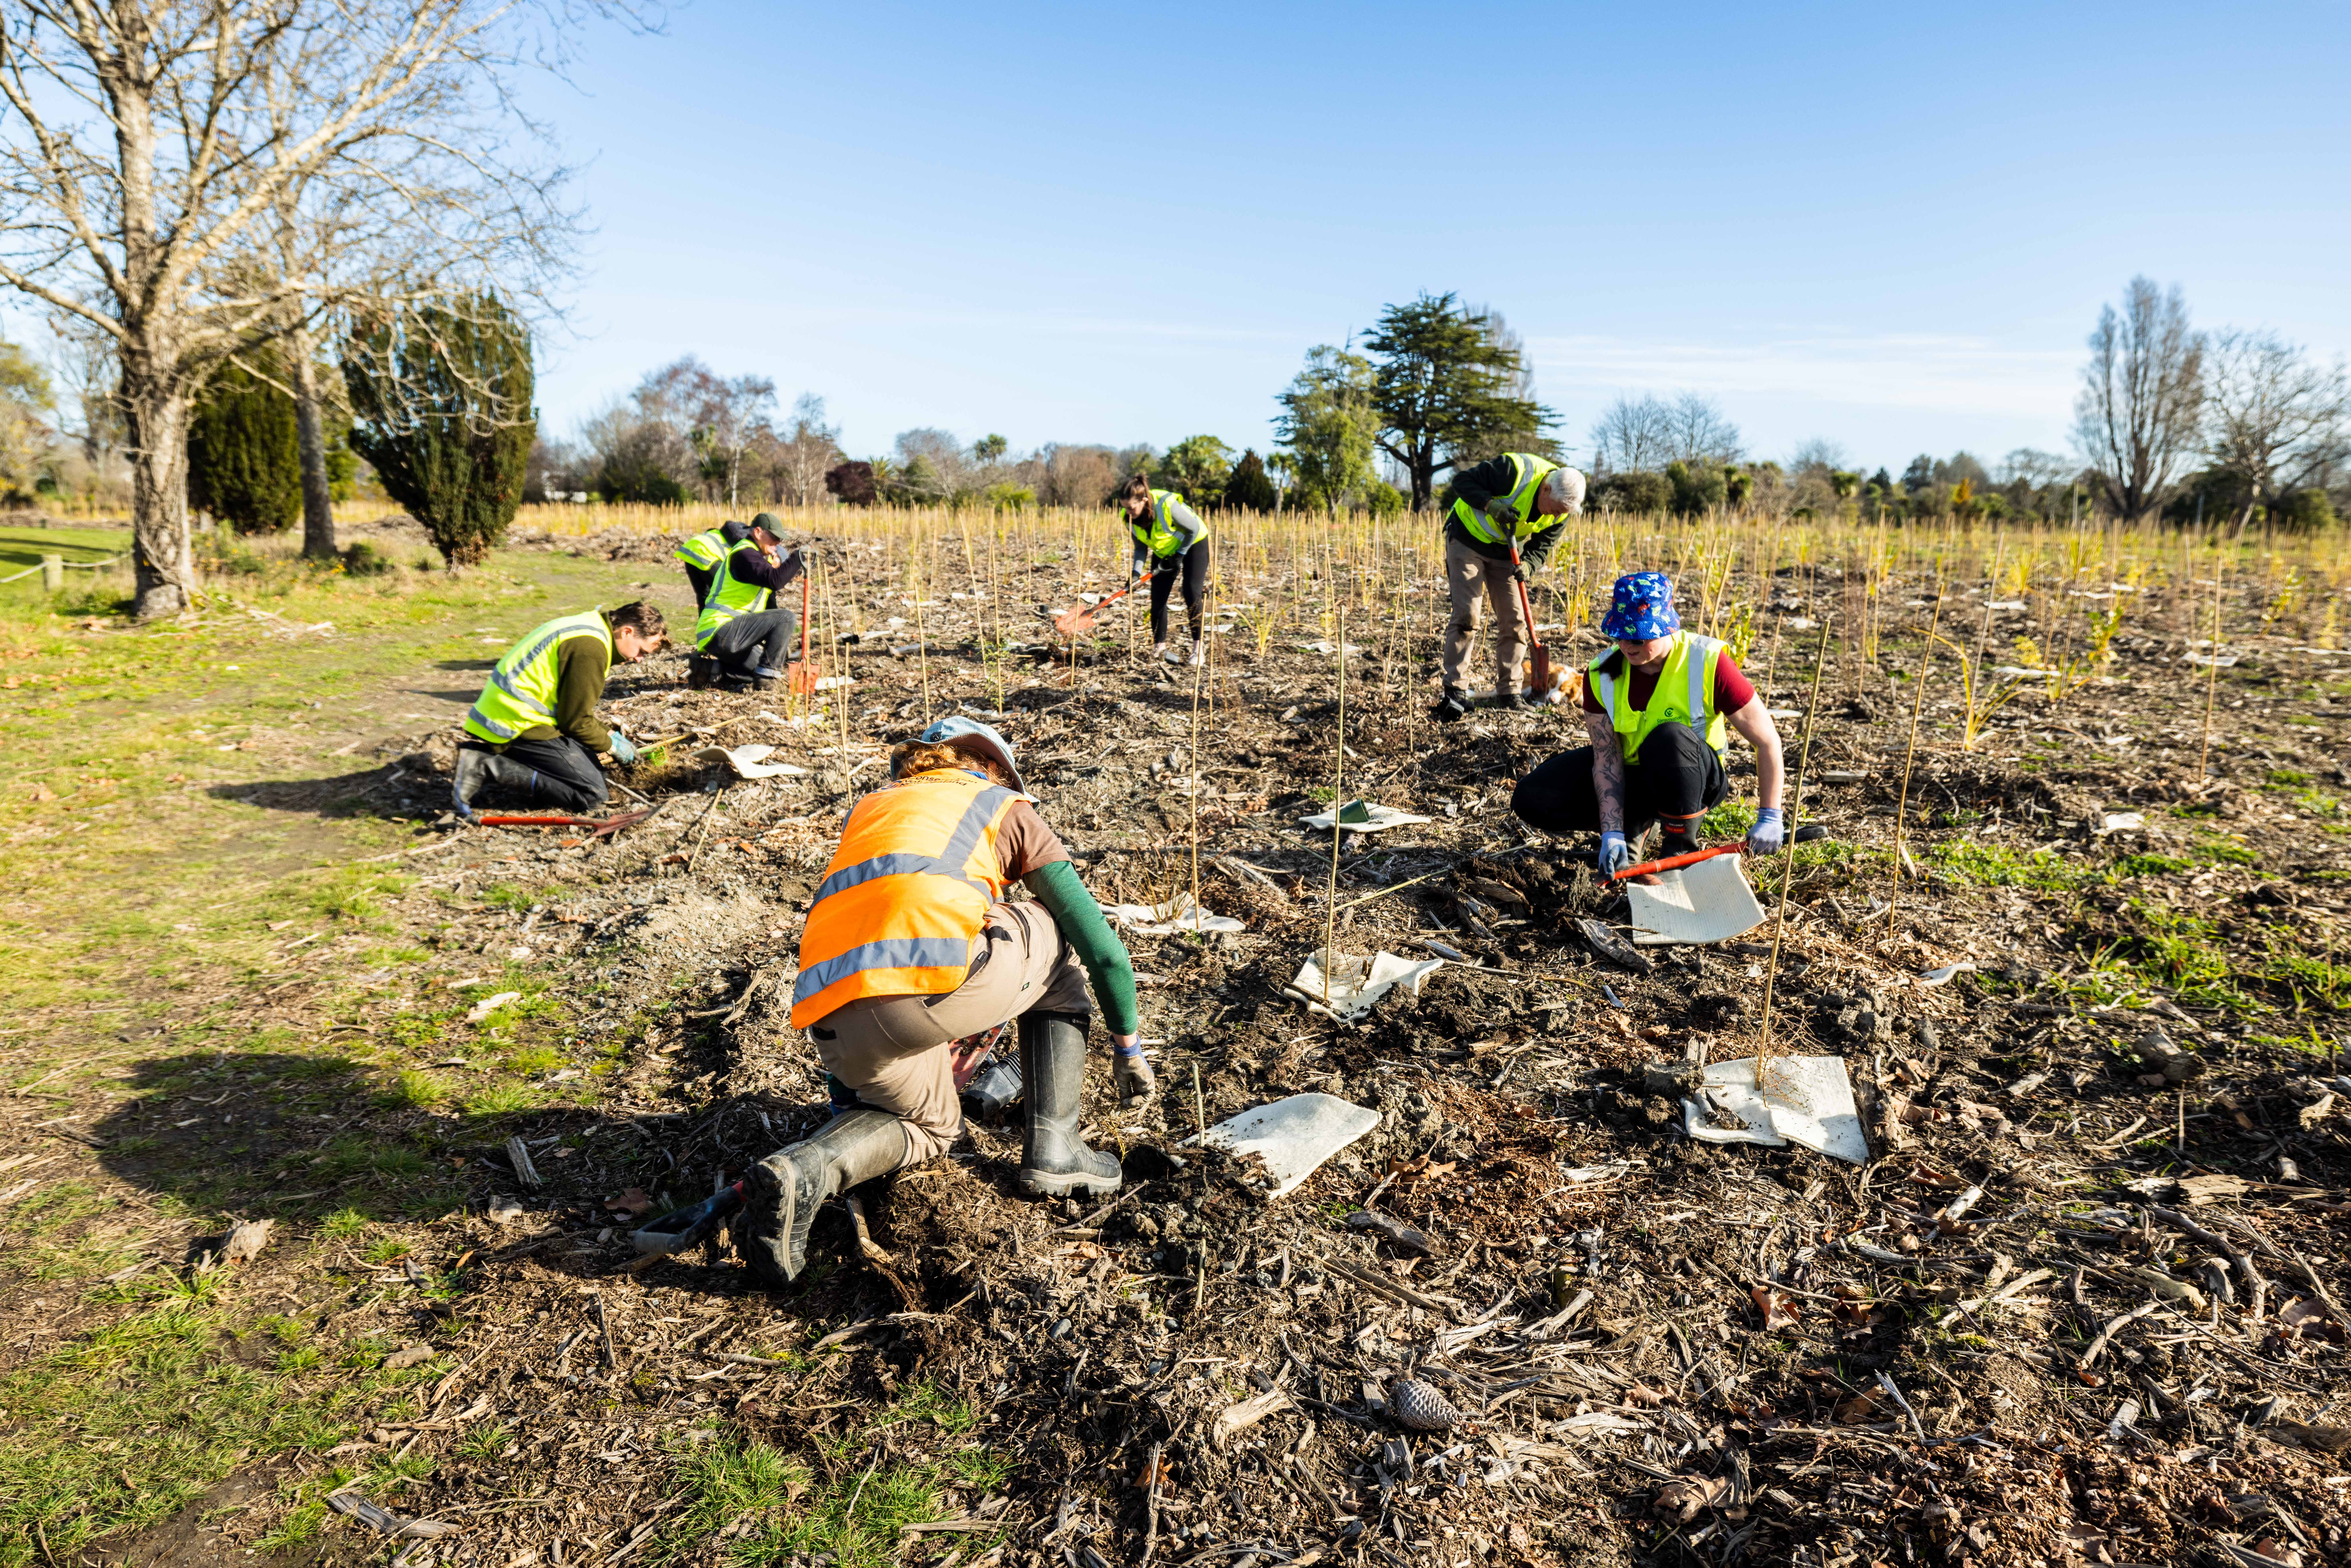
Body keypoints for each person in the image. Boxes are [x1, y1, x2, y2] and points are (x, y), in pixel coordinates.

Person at [737, 718, 1152, 1287]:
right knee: (1054, 932)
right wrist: (1128, 1045)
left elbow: (881, 929)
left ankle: (805, 1167)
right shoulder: (1000, 802)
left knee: (932, 1128)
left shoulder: (873, 810)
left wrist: (850, 1101)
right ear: (997, 769)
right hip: (929, 991)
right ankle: (1056, 1146)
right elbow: (1102, 948)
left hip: (832, 1016)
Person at [1510, 572, 1785, 875]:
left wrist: (1770, 816)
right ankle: (1635, 826)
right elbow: (1606, 758)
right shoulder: (1601, 673)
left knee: (1668, 738)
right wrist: (1611, 831)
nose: (1627, 646)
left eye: (1639, 637)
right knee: (1531, 796)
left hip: (1696, 780)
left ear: (1666, 627)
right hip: (1636, 778)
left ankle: (1678, 850)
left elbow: (1767, 740)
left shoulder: (1706, 661)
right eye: (1620, 635)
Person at [453, 601, 667, 818]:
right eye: (641, 651)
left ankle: (530, 778)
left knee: (598, 777)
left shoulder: (592, 626)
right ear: (627, 632)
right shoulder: (591, 649)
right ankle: (486, 765)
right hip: (515, 722)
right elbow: (575, 722)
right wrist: (611, 746)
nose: (638, 659)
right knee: (593, 796)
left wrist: (609, 733)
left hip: (517, 713)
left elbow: (572, 709)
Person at [1438, 453, 1587, 717]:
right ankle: (1455, 691)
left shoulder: (1561, 512)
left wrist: (1528, 565)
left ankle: (1510, 692)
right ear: (1546, 488)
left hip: (1506, 551)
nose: (1554, 517)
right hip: (1466, 540)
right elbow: (1462, 482)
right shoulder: (1513, 471)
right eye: (1553, 509)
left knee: (1516, 620)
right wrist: (1490, 505)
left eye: (1560, 514)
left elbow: (1542, 546)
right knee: (1467, 615)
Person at [692, 512, 803, 691]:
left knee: (759, 669)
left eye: (780, 540)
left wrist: (778, 648)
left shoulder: (755, 560)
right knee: (787, 618)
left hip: (723, 635)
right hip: (722, 630)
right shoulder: (745, 554)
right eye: (774, 538)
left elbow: (770, 609)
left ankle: (709, 670)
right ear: (758, 533)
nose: (778, 543)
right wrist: (798, 558)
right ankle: (768, 684)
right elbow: (775, 581)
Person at [1119, 474, 1210, 666]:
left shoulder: (1165, 505)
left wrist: (1179, 556)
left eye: (1132, 508)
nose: (1128, 512)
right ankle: (1159, 648)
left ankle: (1198, 648)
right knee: (1158, 596)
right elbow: (1141, 547)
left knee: (1191, 590)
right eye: (1125, 508)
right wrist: (1136, 573)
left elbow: (1193, 529)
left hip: (1194, 542)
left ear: (1144, 501)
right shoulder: (1128, 518)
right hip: (1165, 550)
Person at [675, 516, 750, 608]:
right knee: (724, 593)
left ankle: (704, 621)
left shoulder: (727, 533)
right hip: (707, 554)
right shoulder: (750, 545)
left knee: (704, 594)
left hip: (691, 549)